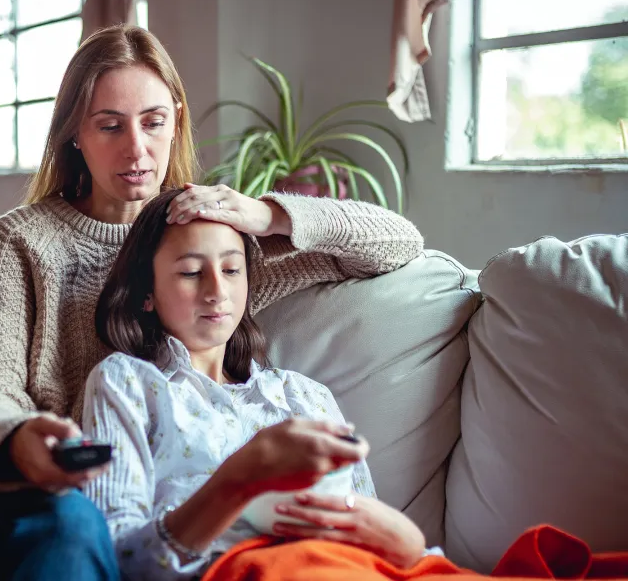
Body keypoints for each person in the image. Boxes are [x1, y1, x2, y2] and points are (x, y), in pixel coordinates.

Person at [0, 24, 424, 579]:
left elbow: (397, 243)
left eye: (154, 122)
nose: (136, 149)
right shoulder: (23, 239)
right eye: (110, 125)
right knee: (73, 520)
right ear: (74, 134)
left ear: (177, 122)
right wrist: (17, 439)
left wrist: (267, 215)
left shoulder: (209, 240)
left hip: (114, 491)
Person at [83, 188, 429, 580]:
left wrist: (269, 216)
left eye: (232, 270)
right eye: (191, 273)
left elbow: (402, 242)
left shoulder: (303, 395)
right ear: (146, 293)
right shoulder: (128, 383)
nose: (217, 292)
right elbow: (120, 560)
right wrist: (237, 482)